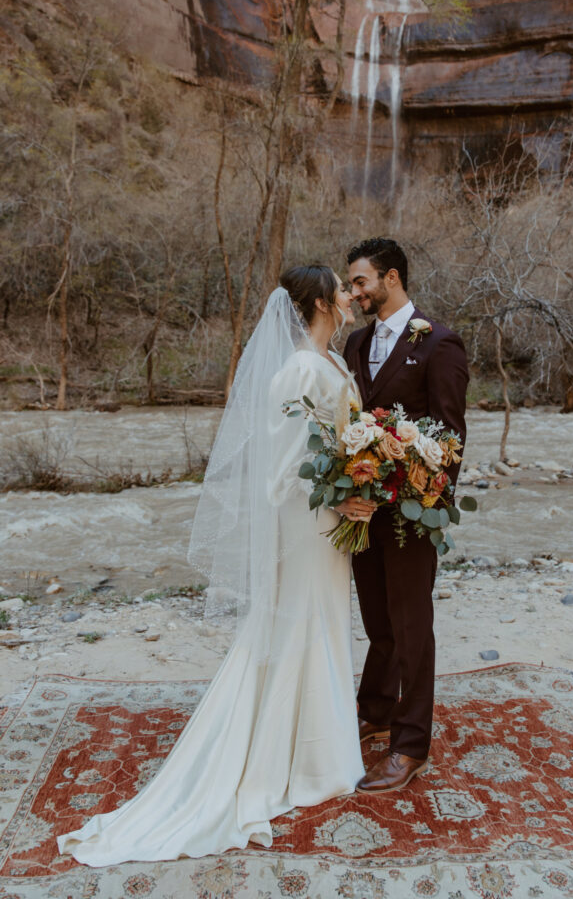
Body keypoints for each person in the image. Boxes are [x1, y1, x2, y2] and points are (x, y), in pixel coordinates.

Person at [57, 265, 366, 865]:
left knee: (323, 623)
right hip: (309, 524)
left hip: (331, 524)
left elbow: (339, 441)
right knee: (299, 624)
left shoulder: (331, 363)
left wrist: (364, 477)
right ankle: (302, 759)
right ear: (324, 302)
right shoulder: (300, 369)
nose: (353, 297)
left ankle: (319, 750)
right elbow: (285, 468)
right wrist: (342, 488)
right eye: (343, 288)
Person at [343, 238, 468, 794]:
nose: (354, 292)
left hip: (413, 516)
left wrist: (419, 501)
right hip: (362, 509)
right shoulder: (354, 342)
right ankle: (376, 708)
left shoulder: (439, 343)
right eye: (352, 284)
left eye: (360, 281)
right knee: (377, 619)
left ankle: (411, 744)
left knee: (413, 627)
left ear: (390, 278)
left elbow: (450, 437)